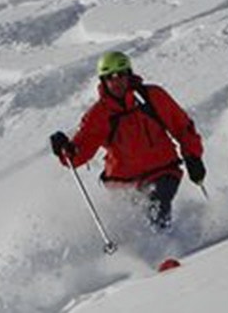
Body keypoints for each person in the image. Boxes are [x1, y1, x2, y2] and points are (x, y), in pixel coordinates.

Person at [50, 51, 206, 230]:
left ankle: (166, 244)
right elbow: (79, 152)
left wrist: (193, 157)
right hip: (124, 183)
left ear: (129, 75)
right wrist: (65, 149)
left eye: (121, 75)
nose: (116, 82)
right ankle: (144, 248)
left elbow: (182, 127)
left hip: (162, 170)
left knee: (158, 203)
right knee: (134, 223)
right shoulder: (99, 115)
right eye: (110, 77)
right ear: (103, 81)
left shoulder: (152, 97)